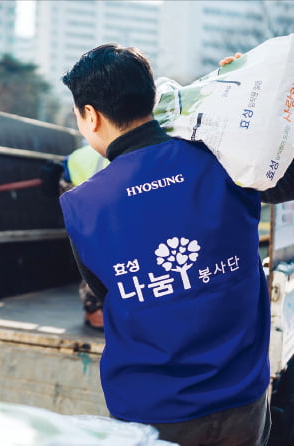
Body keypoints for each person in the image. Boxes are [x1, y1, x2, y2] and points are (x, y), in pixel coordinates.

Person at [58, 44, 294, 446]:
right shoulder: (224, 159)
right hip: (244, 399)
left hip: (154, 411)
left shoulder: (83, 204)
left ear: (91, 115)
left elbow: (100, 289)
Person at [41, 144, 109, 330]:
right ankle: (94, 308)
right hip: (82, 185)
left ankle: (98, 307)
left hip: (78, 174)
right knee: (97, 248)